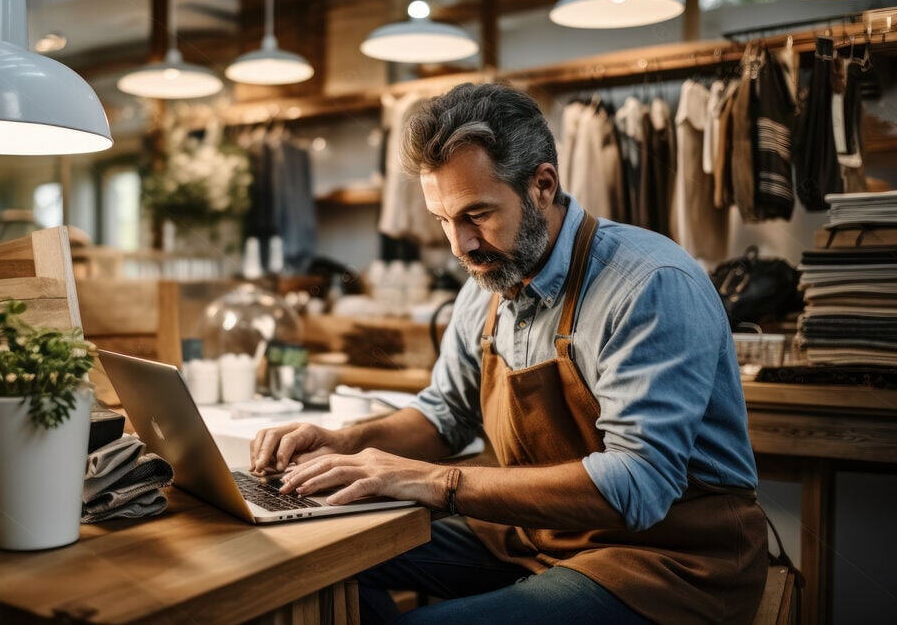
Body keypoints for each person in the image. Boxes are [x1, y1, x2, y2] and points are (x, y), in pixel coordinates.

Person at [250, 82, 768, 624]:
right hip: (536, 537)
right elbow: (445, 415)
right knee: (321, 563)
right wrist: (347, 443)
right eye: (443, 220)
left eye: (477, 214)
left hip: (668, 562)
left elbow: (637, 487)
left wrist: (436, 482)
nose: (460, 246)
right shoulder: (488, 283)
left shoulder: (648, 285)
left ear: (543, 184)